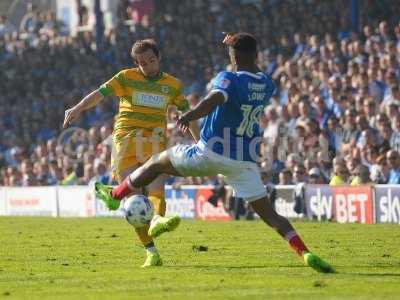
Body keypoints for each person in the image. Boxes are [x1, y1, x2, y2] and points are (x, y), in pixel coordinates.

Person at [96, 32, 334, 273]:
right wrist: (237, 47)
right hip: (244, 161)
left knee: (156, 163)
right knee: (270, 215)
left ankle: (114, 194)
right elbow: (251, 66)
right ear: (255, 55)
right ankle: (305, 253)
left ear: (232, 57)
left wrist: (190, 115)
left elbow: (215, 98)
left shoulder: (228, 78)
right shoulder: (266, 83)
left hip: (211, 151)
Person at [63, 39, 199, 268]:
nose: (148, 66)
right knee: (133, 201)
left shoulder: (172, 85)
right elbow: (99, 93)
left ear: (159, 57)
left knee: (157, 191)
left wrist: (200, 142)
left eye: (151, 61)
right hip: (125, 140)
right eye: (143, 63)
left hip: (155, 141)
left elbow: (188, 113)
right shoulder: (126, 77)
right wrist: (77, 108)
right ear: (136, 63)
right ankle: (151, 251)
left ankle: (155, 218)